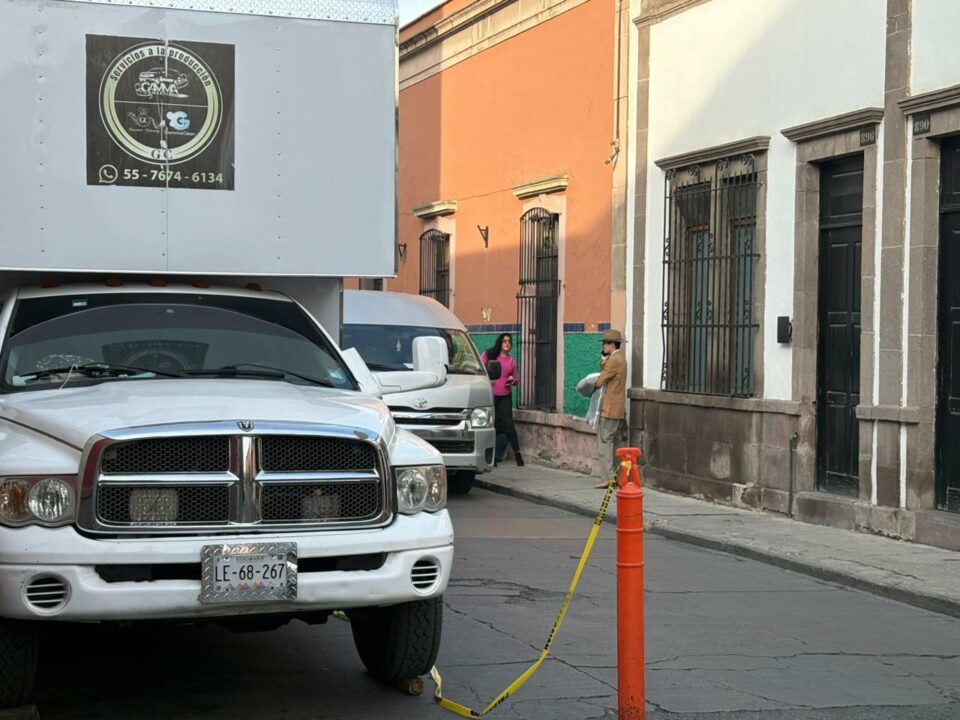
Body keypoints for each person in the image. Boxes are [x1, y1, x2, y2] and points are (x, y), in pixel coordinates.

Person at [482, 333, 524, 467]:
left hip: (505, 395)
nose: (507, 343)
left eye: (509, 341)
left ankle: (518, 455)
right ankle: (491, 456)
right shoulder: (489, 355)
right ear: (500, 342)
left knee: (508, 425)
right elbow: (480, 370)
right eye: (504, 341)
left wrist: (513, 380)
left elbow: (516, 378)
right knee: (491, 424)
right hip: (491, 394)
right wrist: (488, 379)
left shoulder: (511, 360)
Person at [594, 329, 627, 488]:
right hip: (618, 408)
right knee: (617, 443)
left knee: (604, 442)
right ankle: (619, 477)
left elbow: (600, 380)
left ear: (612, 344)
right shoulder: (620, 358)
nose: (603, 346)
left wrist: (589, 385)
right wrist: (604, 361)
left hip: (610, 408)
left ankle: (608, 478)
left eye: (605, 343)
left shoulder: (615, 360)